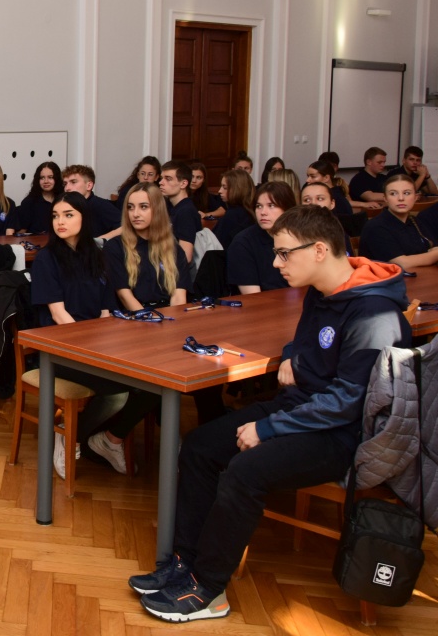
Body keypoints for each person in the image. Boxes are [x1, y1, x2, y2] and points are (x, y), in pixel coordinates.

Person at [130, 205, 409, 622]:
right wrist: (293, 354)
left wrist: (268, 427)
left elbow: (348, 403)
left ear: (319, 250)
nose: (276, 263)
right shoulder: (322, 291)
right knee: (201, 445)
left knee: (245, 471)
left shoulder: (374, 315)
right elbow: (305, 341)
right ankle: (185, 562)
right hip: (301, 408)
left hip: (343, 433)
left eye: (283, 254)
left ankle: (208, 588)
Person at [92, 183, 189, 473]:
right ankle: (160, 440)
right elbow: (125, 296)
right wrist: (155, 325)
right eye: (131, 207)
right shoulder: (116, 246)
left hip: (168, 321)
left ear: (157, 210)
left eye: (143, 207)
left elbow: (179, 297)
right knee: (161, 379)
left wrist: (173, 328)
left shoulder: (172, 246)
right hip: (131, 324)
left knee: (192, 374)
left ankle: (185, 444)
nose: (135, 213)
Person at [29, 192, 126, 478]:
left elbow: (106, 311)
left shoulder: (98, 255)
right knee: (118, 393)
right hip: (61, 348)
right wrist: (92, 350)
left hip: (96, 344)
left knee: (147, 388)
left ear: (84, 218)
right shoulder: (47, 259)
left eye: (68, 215)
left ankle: (107, 439)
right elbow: (59, 315)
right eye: (56, 216)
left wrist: (106, 346)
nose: (60, 221)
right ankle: (70, 436)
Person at [357, 173, 438, 269]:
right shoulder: (375, 227)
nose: (401, 198)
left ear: (415, 197)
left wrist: (430, 255)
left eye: (407, 193)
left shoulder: (414, 221)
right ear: (385, 199)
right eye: (393, 194)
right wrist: (432, 255)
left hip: (422, 275)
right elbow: (402, 263)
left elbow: (434, 246)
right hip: (384, 278)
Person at [227, 181, 295, 294]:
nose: (263, 212)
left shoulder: (300, 237)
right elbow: (253, 297)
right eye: (259, 206)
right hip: (264, 302)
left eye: (271, 206)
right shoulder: (243, 243)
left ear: (287, 209)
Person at [62, 164, 122, 239]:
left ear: (89, 185)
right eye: (65, 184)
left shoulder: (100, 205)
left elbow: (125, 228)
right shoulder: (64, 206)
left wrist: (98, 241)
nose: (67, 188)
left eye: (73, 182)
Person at [159, 160, 202, 262]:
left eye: (168, 179)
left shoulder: (185, 211)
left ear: (183, 184)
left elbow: (185, 257)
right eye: (161, 178)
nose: (161, 182)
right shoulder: (172, 206)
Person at [6, 160, 60, 235]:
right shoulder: (29, 202)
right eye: (42, 178)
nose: (46, 181)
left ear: (57, 179)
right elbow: (21, 233)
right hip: (36, 241)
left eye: (50, 177)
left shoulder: (63, 200)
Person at [301, 181, 354, 254]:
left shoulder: (338, 232)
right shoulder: (294, 233)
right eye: (307, 200)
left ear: (332, 203)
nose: (313, 203)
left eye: (320, 199)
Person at [211, 169, 255, 249]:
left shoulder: (233, 215)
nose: (220, 191)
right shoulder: (250, 212)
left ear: (237, 189)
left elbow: (218, 245)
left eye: (225, 187)